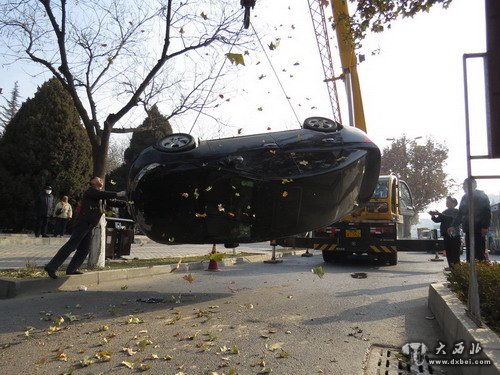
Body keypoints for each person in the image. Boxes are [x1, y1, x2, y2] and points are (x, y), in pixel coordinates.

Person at [44, 177, 126, 279]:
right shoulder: (90, 191)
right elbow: (101, 195)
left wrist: (128, 203)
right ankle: (51, 266)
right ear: (92, 182)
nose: (100, 180)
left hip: (89, 224)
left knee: (84, 248)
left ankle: (72, 269)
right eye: (97, 179)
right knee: (72, 245)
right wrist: (118, 194)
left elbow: (113, 202)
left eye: (101, 179)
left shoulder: (101, 197)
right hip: (83, 223)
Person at [448, 178, 491, 262]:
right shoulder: (464, 197)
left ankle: (479, 272)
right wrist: (453, 226)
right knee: (470, 254)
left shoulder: (481, 196)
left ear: (472, 185)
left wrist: (485, 226)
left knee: (478, 254)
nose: (463, 187)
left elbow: (486, 212)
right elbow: (460, 214)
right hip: (468, 230)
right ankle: (470, 271)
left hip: (478, 230)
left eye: (465, 185)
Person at [429, 196, 461, 268]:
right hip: (446, 235)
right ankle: (451, 267)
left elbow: (451, 218)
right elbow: (437, 220)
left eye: (449, 202)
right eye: (446, 202)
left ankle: (457, 269)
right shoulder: (445, 211)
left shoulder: (456, 211)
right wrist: (433, 216)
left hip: (454, 235)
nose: (447, 203)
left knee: (455, 253)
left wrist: (440, 214)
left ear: (454, 203)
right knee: (448, 253)